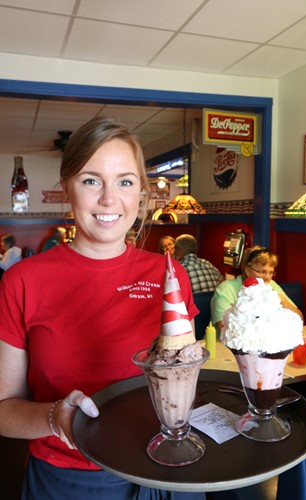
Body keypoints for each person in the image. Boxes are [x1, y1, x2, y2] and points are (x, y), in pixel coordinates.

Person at [0, 117, 202, 500]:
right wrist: (54, 417)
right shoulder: (22, 281)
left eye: (125, 181)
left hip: (169, 469)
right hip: (71, 480)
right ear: (67, 189)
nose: (110, 199)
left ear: (141, 192)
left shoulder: (169, 274)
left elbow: (185, 378)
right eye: (91, 180)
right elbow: (4, 411)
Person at [211, 245, 303, 333]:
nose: (267, 277)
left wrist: (281, 300)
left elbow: (299, 318)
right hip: (223, 347)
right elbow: (226, 329)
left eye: (271, 272)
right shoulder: (226, 289)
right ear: (247, 270)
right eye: (262, 272)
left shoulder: (271, 285)